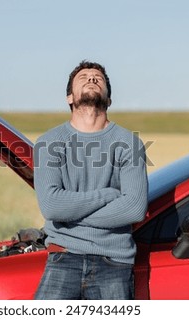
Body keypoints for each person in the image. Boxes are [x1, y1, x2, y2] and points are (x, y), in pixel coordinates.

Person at [33, 60, 148, 300]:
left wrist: (70, 217)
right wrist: (107, 195)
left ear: (109, 100)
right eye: (83, 77)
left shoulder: (129, 143)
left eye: (98, 78)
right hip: (63, 257)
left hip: (114, 263)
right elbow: (52, 206)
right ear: (69, 98)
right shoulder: (49, 142)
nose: (92, 79)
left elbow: (134, 209)